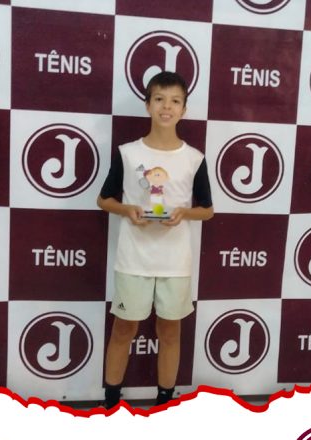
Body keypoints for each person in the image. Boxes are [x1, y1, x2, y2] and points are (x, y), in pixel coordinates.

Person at [97, 71, 214, 409]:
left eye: (175, 101)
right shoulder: (128, 153)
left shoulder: (194, 158)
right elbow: (104, 199)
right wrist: (128, 210)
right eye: (160, 99)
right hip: (133, 259)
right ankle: (111, 403)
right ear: (148, 105)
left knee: (170, 332)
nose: (167, 107)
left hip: (175, 263)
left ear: (184, 109)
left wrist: (183, 213)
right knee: (123, 329)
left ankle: (164, 403)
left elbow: (207, 210)